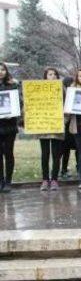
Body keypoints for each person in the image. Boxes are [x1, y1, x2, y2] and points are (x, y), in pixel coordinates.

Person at [39, 67, 66, 191]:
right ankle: (45, 179)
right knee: (45, 154)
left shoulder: (62, 89)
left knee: (56, 154)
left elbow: (67, 106)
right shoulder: (37, 89)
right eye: (50, 74)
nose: (53, 76)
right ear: (45, 76)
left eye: (55, 74)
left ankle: (54, 179)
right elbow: (31, 105)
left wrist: (64, 121)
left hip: (57, 126)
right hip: (43, 125)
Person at [0, 62, 18, 193]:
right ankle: (1, 180)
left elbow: (18, 103)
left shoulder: (13, 85)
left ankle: (8, 181)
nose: (1, 72)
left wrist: (11, 114)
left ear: (6, 71)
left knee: (9, 153)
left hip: (10, 125)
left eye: (3, 69)